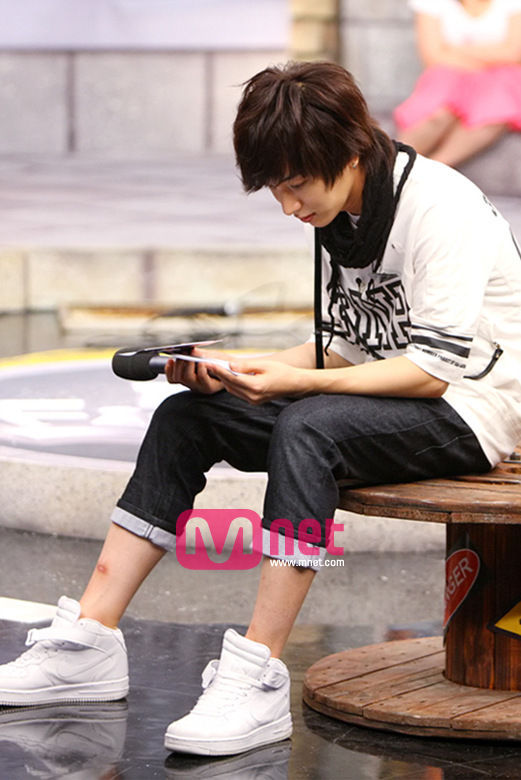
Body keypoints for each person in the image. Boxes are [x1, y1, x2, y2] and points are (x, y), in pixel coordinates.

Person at [1, 60, 521, 758]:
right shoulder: (341, 211)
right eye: (276, 188)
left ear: (348, 151)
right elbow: (347, 349)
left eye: (295, 185)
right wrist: (249, 369)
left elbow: (431, 372)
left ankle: (258, 673)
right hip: (386, 398)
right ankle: (88, 642)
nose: (287, 206)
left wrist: (293, 385)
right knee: (187, 418)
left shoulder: (438, 208)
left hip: (470, 411)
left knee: (309, 426)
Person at [395, 0, 521, 166]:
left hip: (500, 80)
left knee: (495, 108)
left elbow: (514, 53)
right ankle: (391, 166)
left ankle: (434, 168)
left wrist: (454, 51)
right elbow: (432, 57)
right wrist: (492, 55)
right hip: (448, 77)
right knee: (437, 113)